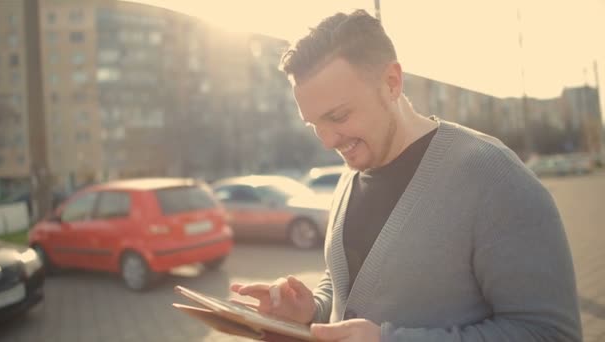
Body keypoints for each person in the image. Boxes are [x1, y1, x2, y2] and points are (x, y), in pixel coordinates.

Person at [231, 9, 581, 342]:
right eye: (314, 124)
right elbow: (348, 287)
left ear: (392, 82)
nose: (327, 141)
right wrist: (313, 310)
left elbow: (550, 333)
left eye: (337, 116)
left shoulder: (495, 178)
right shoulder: (350, 174)